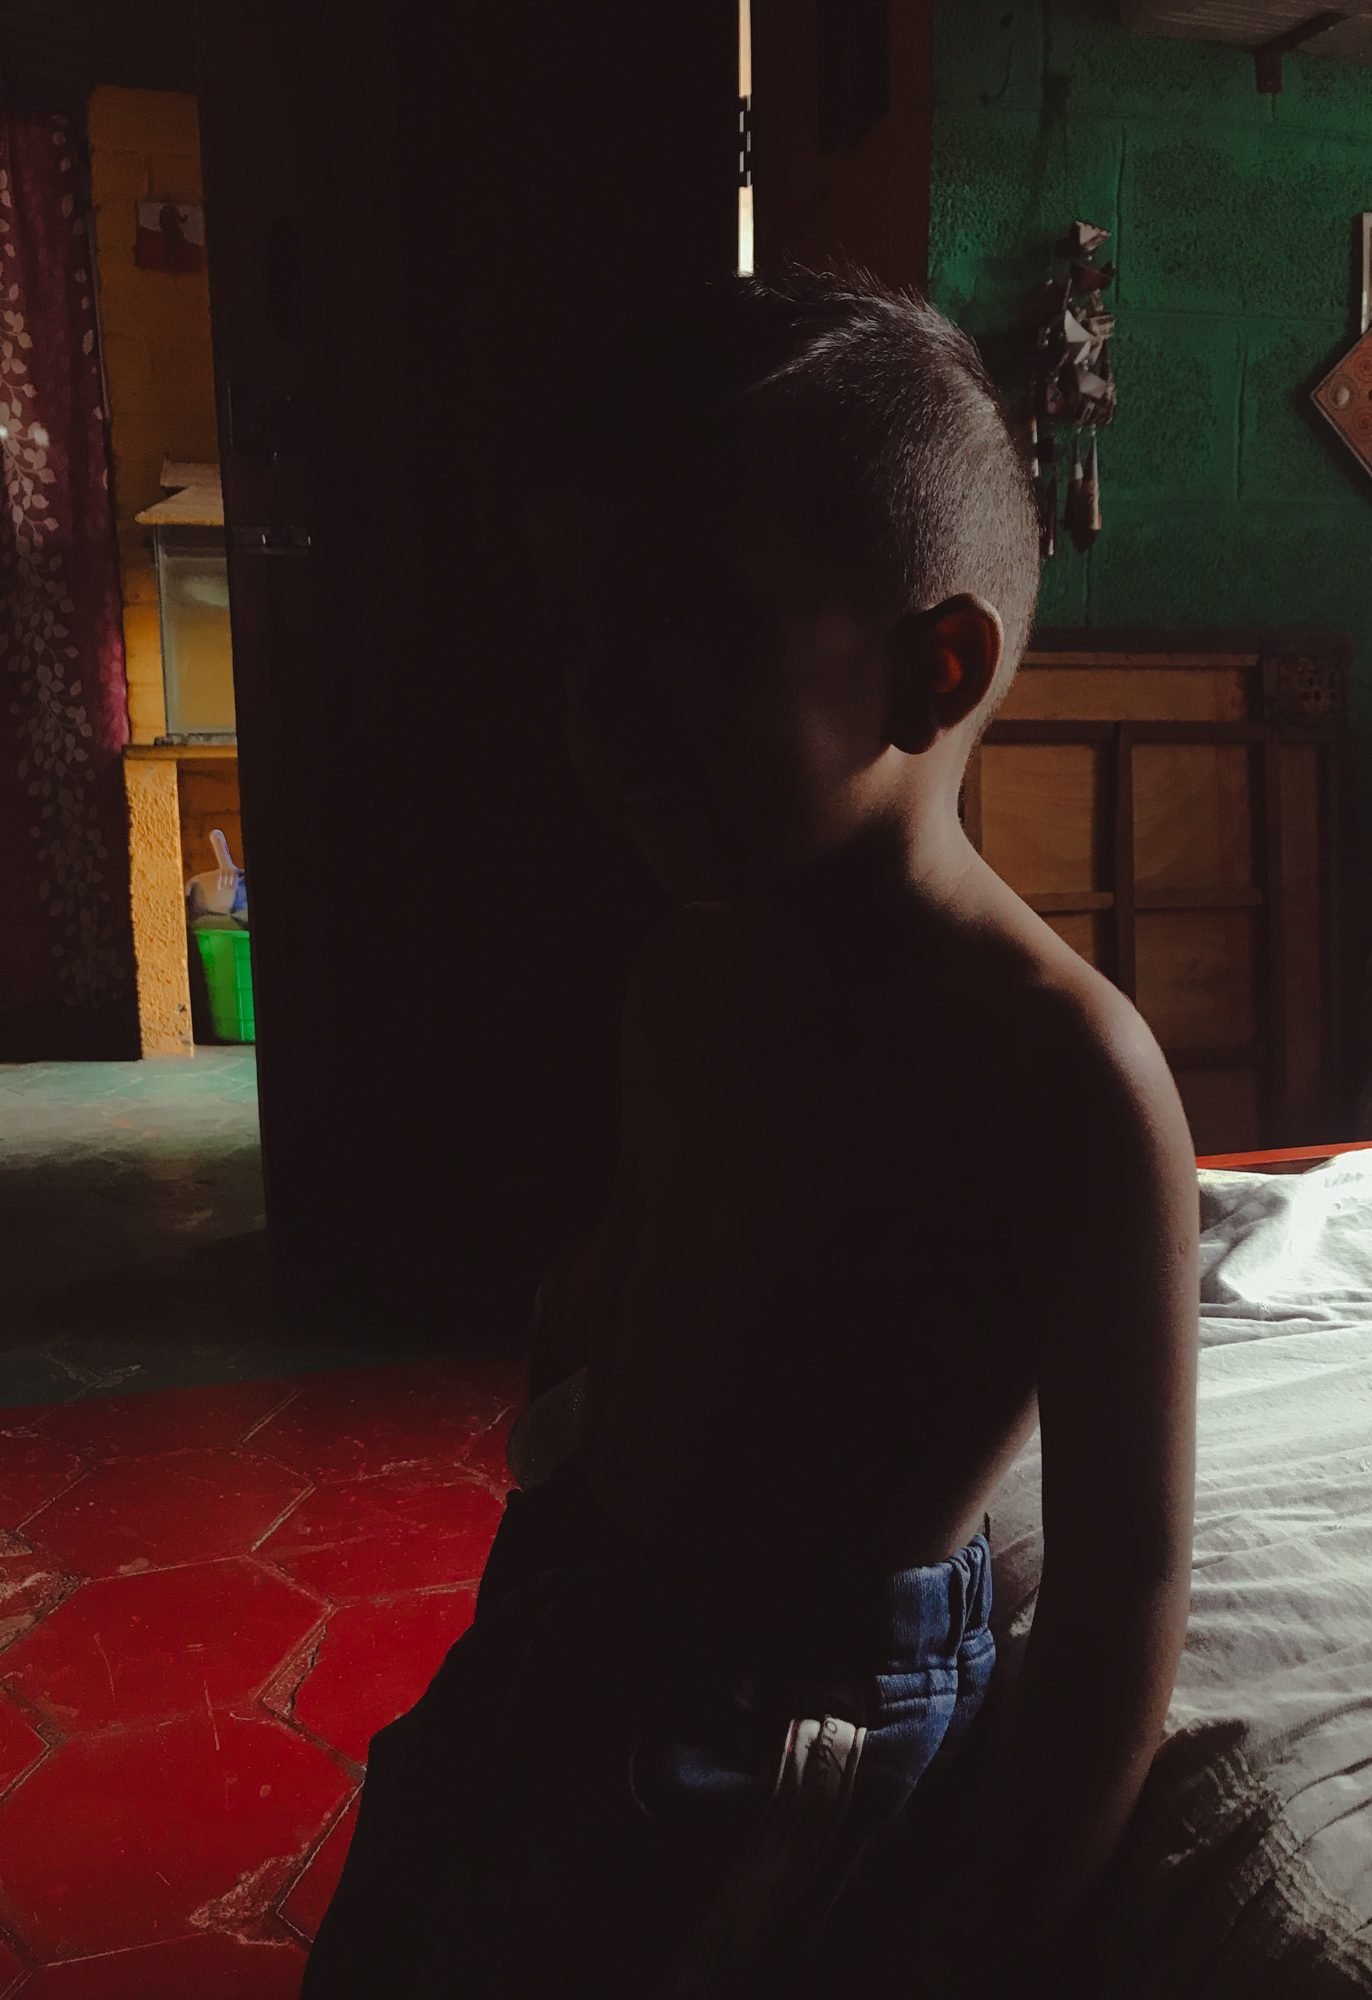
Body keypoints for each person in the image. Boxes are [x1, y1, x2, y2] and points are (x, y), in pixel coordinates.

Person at [301, 269, 1198, 1998]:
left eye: (690, 637)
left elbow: (1125, 1587)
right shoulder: (686, 969)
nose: (600, 713)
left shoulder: (1066, 1076)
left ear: (933, 669)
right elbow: (655, 1255)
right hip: (584, 1604)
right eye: (582, 642)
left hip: (793, 1720)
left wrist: (983, 1946)